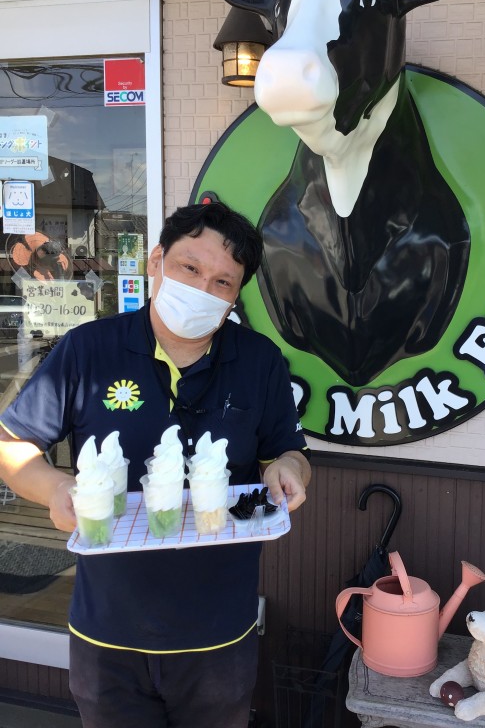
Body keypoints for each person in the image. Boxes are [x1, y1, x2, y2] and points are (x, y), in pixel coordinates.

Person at [0, 202, 311, 728]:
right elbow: (13, 445)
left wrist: (289, 469)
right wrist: (54, 487)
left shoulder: (260, 361)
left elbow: (288, 452)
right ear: (156, 260)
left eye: (222, 282)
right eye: (189, 267)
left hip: (218, 631)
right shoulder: (89, 349)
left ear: (235, 296)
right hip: (108, 630)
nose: (202, 289)